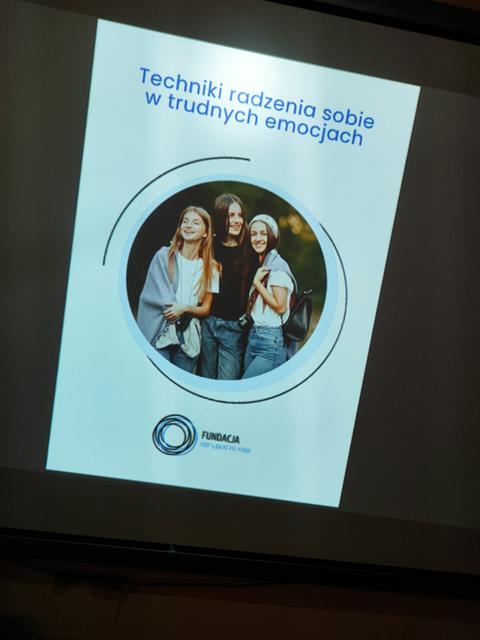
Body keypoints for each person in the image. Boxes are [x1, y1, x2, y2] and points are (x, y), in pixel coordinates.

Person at [137, 206, 219, 373]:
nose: (188, 226)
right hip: (161, 331)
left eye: (195, 223)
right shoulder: (164, 256)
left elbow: (206, 309)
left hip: (188, 337)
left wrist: (185, 308)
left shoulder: (211, 268)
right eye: (185, 221)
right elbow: (151, 296)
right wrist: (174, 309)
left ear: (205, 232)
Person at [199, 194, 249, 379]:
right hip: (208, 323)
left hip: (234, 328)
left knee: (227, 382)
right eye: (231, 215)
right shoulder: (209, 246)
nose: (237, 220)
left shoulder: (249, 248)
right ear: (221, 218)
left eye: (240, 215)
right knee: (205, 379)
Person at [242, 214, 295, 379]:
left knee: (247, 387)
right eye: (253, 234)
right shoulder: (263, 264)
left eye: (263, 233)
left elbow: (280, 307)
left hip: (270, 342)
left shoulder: (277, 267)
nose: (257, 238)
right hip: (254, 337)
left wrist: (257, 284)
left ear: (272, 236)